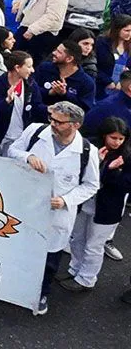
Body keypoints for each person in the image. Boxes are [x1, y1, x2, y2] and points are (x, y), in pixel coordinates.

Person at [8, 101, 100, 315]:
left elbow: (91, 185)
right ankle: (14, 287)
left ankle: (41, 293)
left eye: (59, 122)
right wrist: (28, 156)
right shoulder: (36, 131)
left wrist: (67, 200)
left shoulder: (87, 151)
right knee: (21, 250)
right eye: (52, 119)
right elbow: (12, 150)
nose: (53, 124)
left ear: (75, 125)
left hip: (57, 214)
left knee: (49, 260)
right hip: (27, 205)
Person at [61, 116, 131, 291]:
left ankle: (86, 279)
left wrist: (109, 170)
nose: (117, 142)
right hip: (84, 203)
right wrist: (99, 163)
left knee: (94, 245)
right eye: (113, 137)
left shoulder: (127, 157)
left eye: (121, 139)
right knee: (77, 239)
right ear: (104, 135)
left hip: (107, 208)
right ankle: (75, 269)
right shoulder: (90, 148)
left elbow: (125, 185)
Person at [13, 0, 71, 64]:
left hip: (42, 33)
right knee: (15, 55)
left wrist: (32, 30)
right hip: (27, 23)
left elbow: (53, 16)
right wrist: (18, 3)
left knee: (29, 61)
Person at [34, 39, 96, 112]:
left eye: (59, 52)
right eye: (56, 50)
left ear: (69, 59)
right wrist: (49, 92)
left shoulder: (86, 82)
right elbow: (30, 90)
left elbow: (84, 109)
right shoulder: (44, 68)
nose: (54, 53)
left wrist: (65, 94)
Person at [95, 15, 131, 95]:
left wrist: (124, 81)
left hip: (120, 92)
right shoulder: (102, 43)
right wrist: (108, 81)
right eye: (126, 31)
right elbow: (94, 66)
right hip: (100, 88)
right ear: (117, 30)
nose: (129, 34)